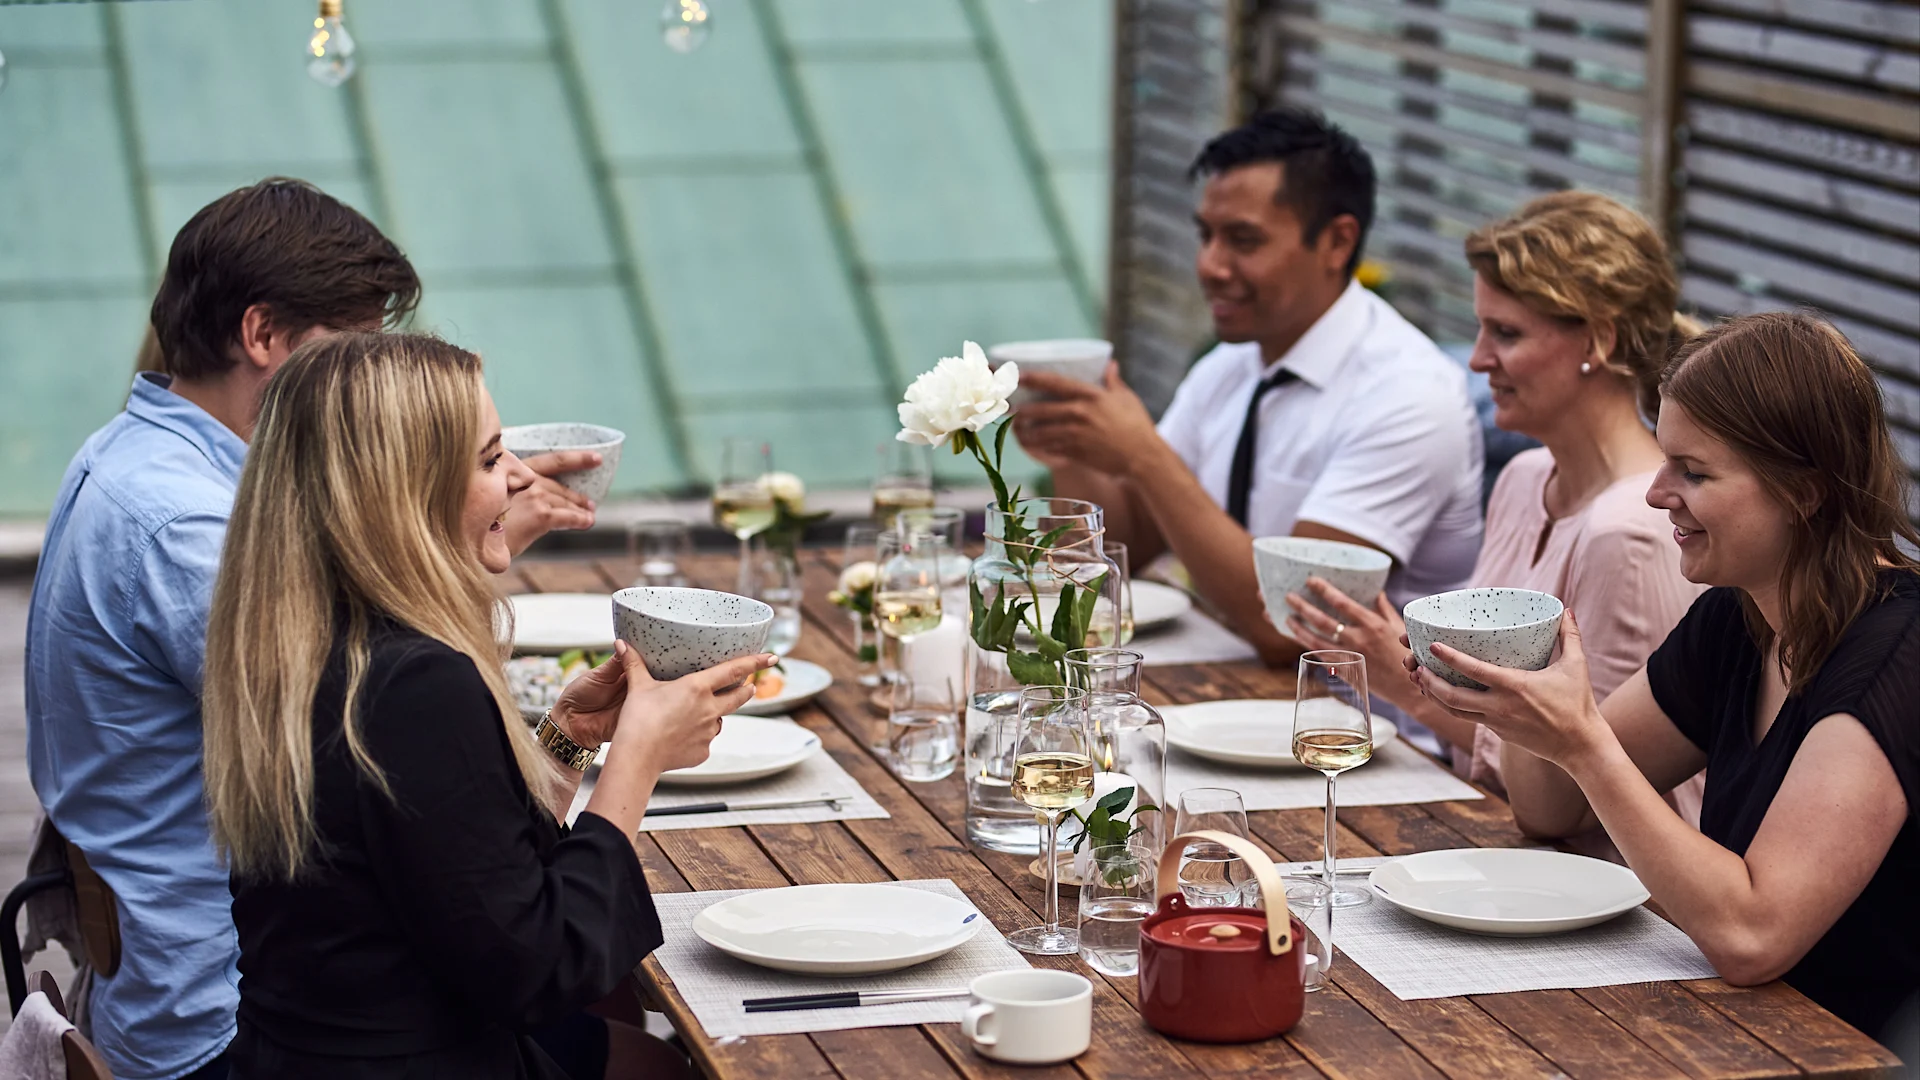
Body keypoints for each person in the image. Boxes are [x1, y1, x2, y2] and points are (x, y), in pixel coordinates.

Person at [22, 179, 595, 1079]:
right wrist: (449, 533)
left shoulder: (136, 453)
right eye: (356, 345)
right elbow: (385, 725)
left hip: (216, 977)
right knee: (584, 995)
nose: (372, 376)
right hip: (236, 1018)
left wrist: (455, 504)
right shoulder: (190, 524)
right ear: (262, 335)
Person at [202, 333, 772, 1078]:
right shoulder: (415, 682)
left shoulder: (298, 640)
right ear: (402, 491)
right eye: (489, 459)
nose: (520, 476)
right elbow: (541, 971)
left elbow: (465, 875)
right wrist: (638, 759)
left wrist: (568, 739)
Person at [1410, 312, 1919, 1048]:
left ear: (1805, 491)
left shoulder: (1897, 653)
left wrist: (1584, 746)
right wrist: (1526, 700)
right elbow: (1549, 811)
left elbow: (1753, 935)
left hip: (1843, 1054)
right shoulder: (1737, 619)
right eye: (1662, 458)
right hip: (1736, 1035)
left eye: (1694, 471)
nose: (1655, 493)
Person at [1012, 108, 1484, 684]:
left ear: (1337, 242)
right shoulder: (1230, 365)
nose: (1209, 266)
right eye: (1205, 235)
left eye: (1243, 240)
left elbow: (1292, 629)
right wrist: (1074, 444)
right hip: (1229, 686)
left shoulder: (1409, 395)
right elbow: (1124, 542)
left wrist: (1142, 454)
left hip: (1353, 731)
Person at [1283, 192, 1705, 817]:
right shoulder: (1523, 478)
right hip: (1492, 831)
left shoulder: (1632, 529)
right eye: (1481, 329)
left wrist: (1408, 679)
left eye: (1505, 333)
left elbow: (1580, 792)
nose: (1478, 359)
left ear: (1601, 339)